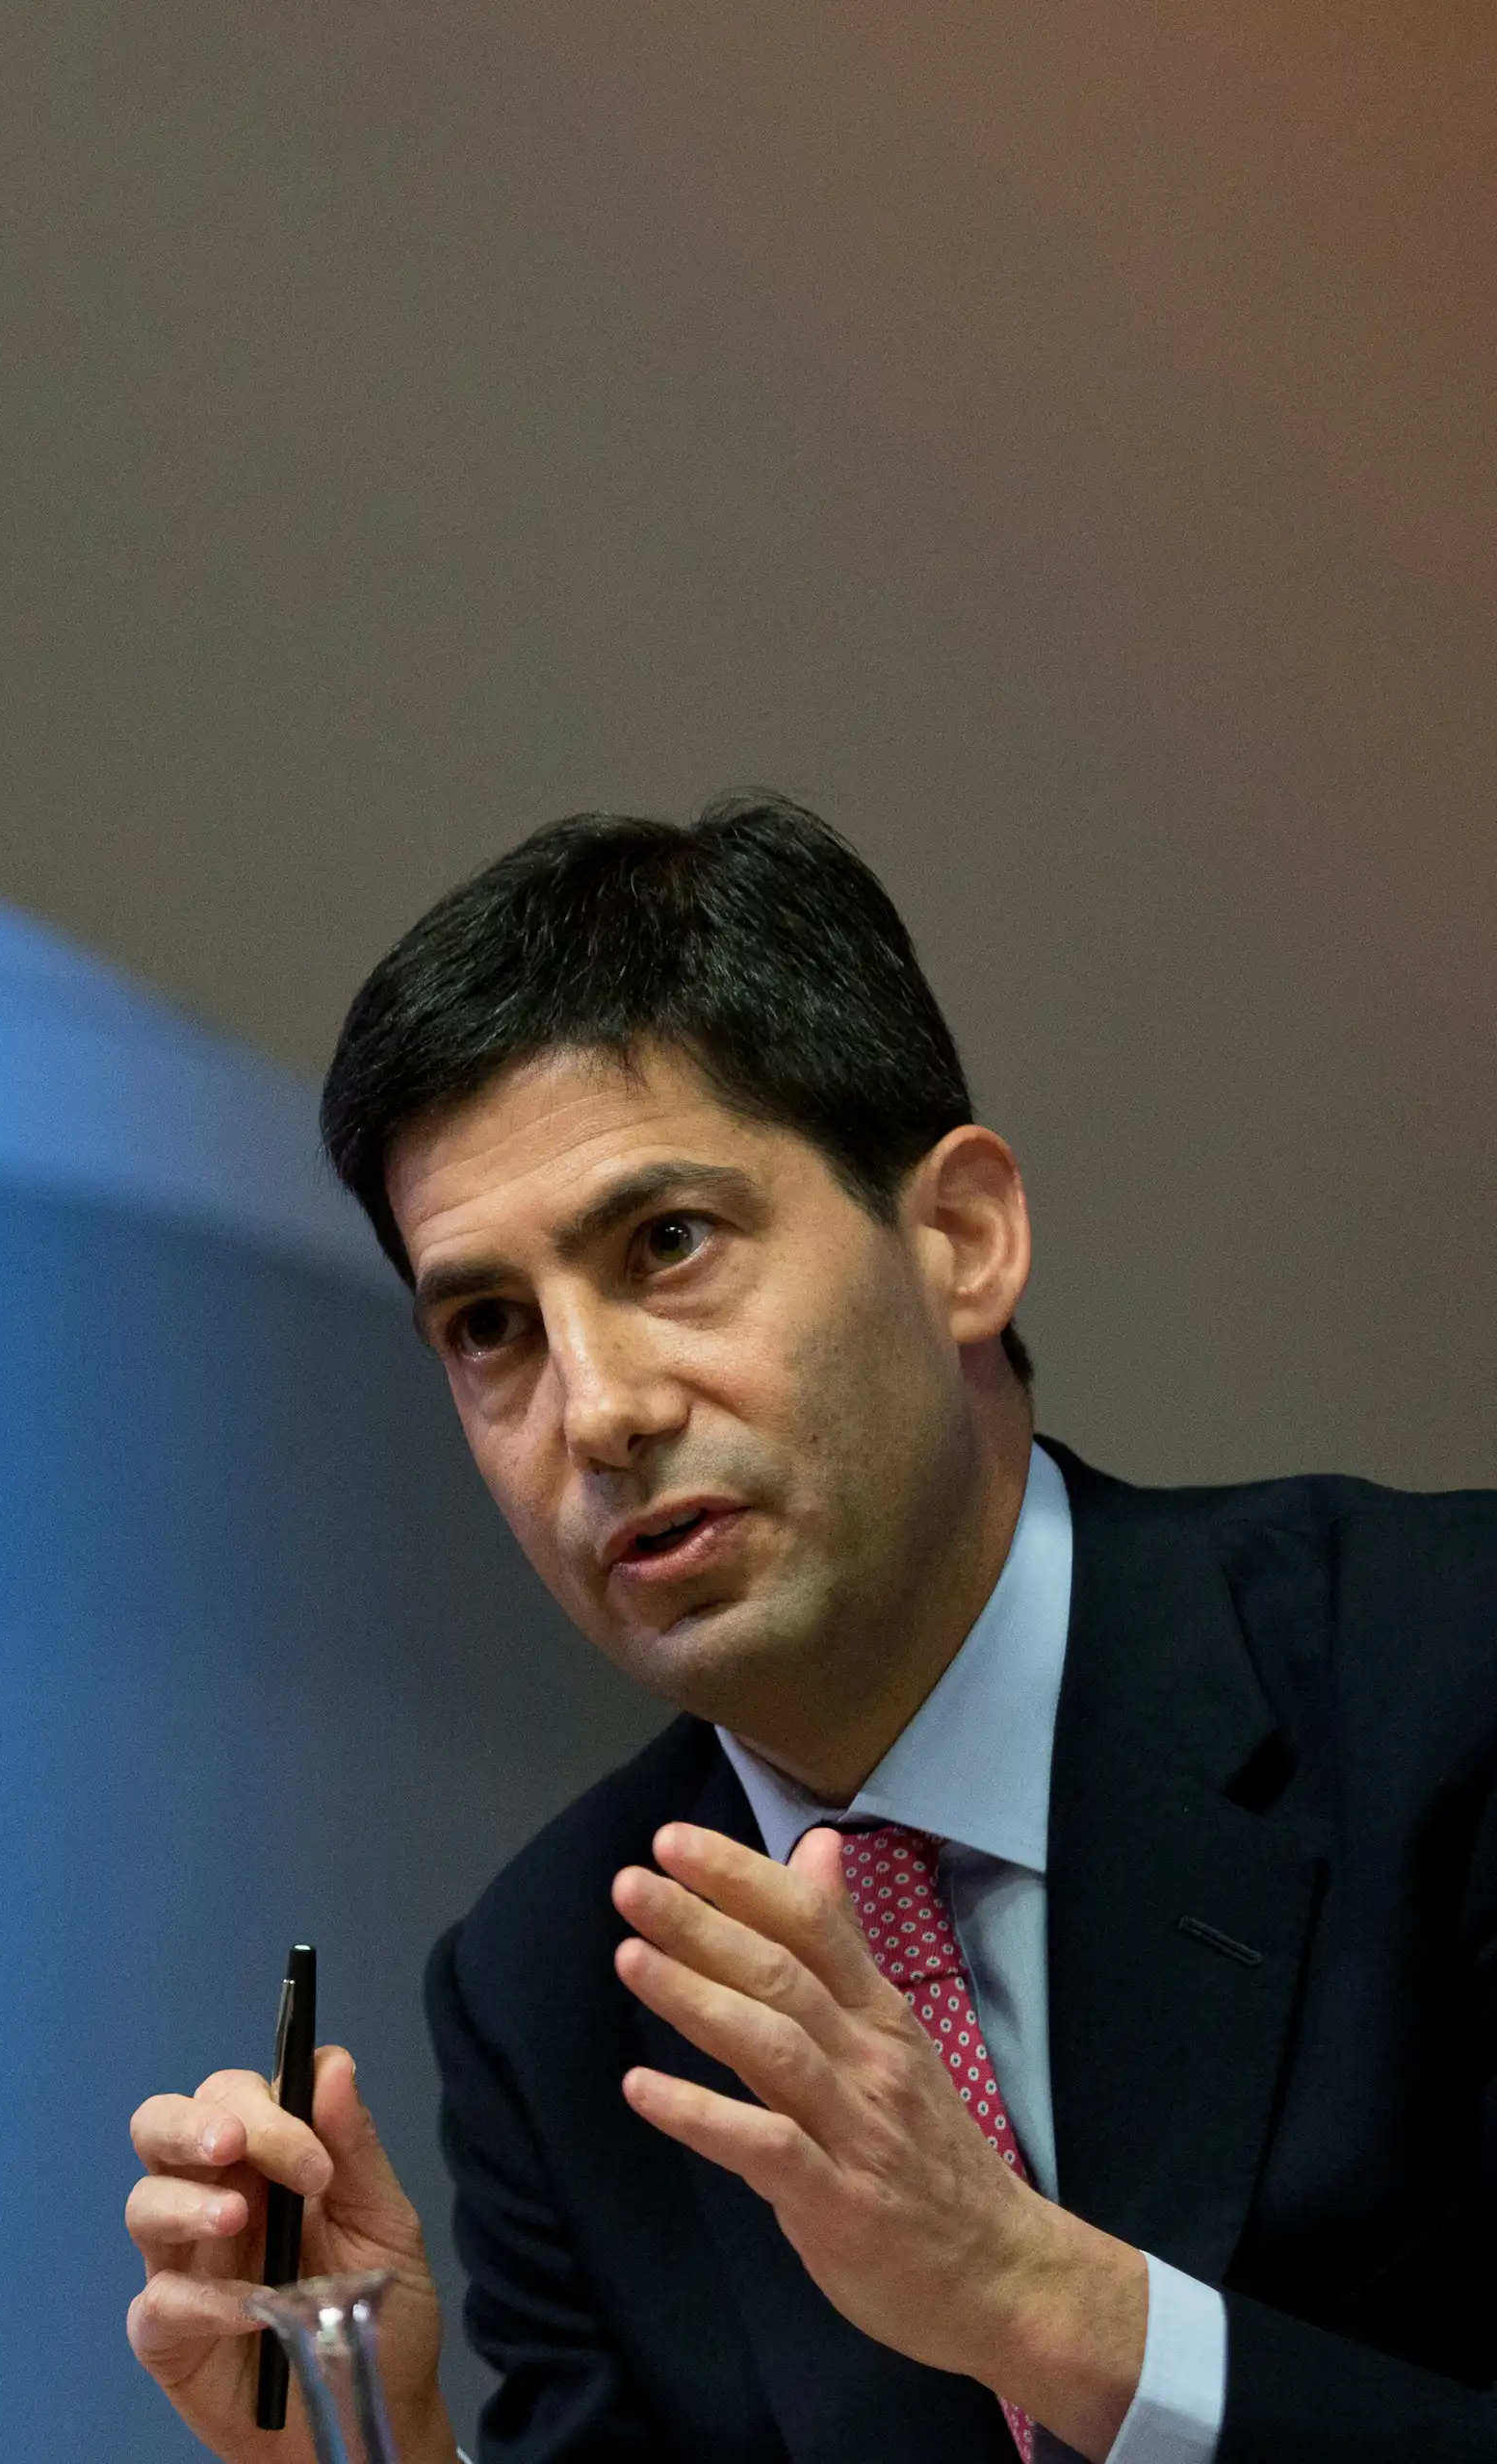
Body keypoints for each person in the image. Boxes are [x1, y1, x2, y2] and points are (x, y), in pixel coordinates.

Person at [122, 797, 1497, 2462]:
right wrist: (370, 2431)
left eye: (670, 1245)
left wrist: (1041, 2300)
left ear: (964, 1241)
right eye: (491, 1327)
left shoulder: (1441, 1671)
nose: (600, 1412)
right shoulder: (556, 1987)